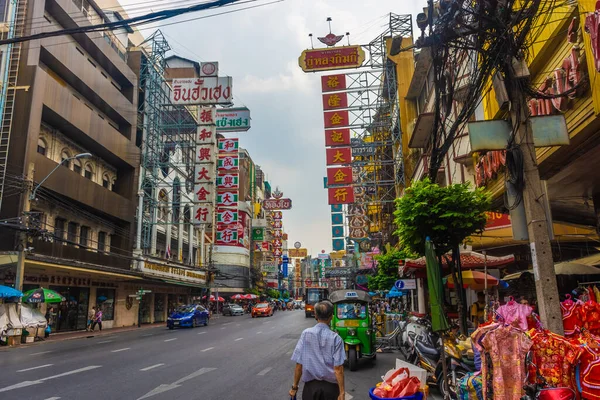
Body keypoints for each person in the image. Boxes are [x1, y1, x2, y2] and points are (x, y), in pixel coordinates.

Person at [289, 301, 345, 400]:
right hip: (331, 390)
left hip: (310, 389)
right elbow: (338, 369)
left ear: (315, 315)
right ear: (331, 316)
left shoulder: (306, 334)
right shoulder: (336, 338)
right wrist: (342, 392)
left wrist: (294, 387)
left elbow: (299, 365)